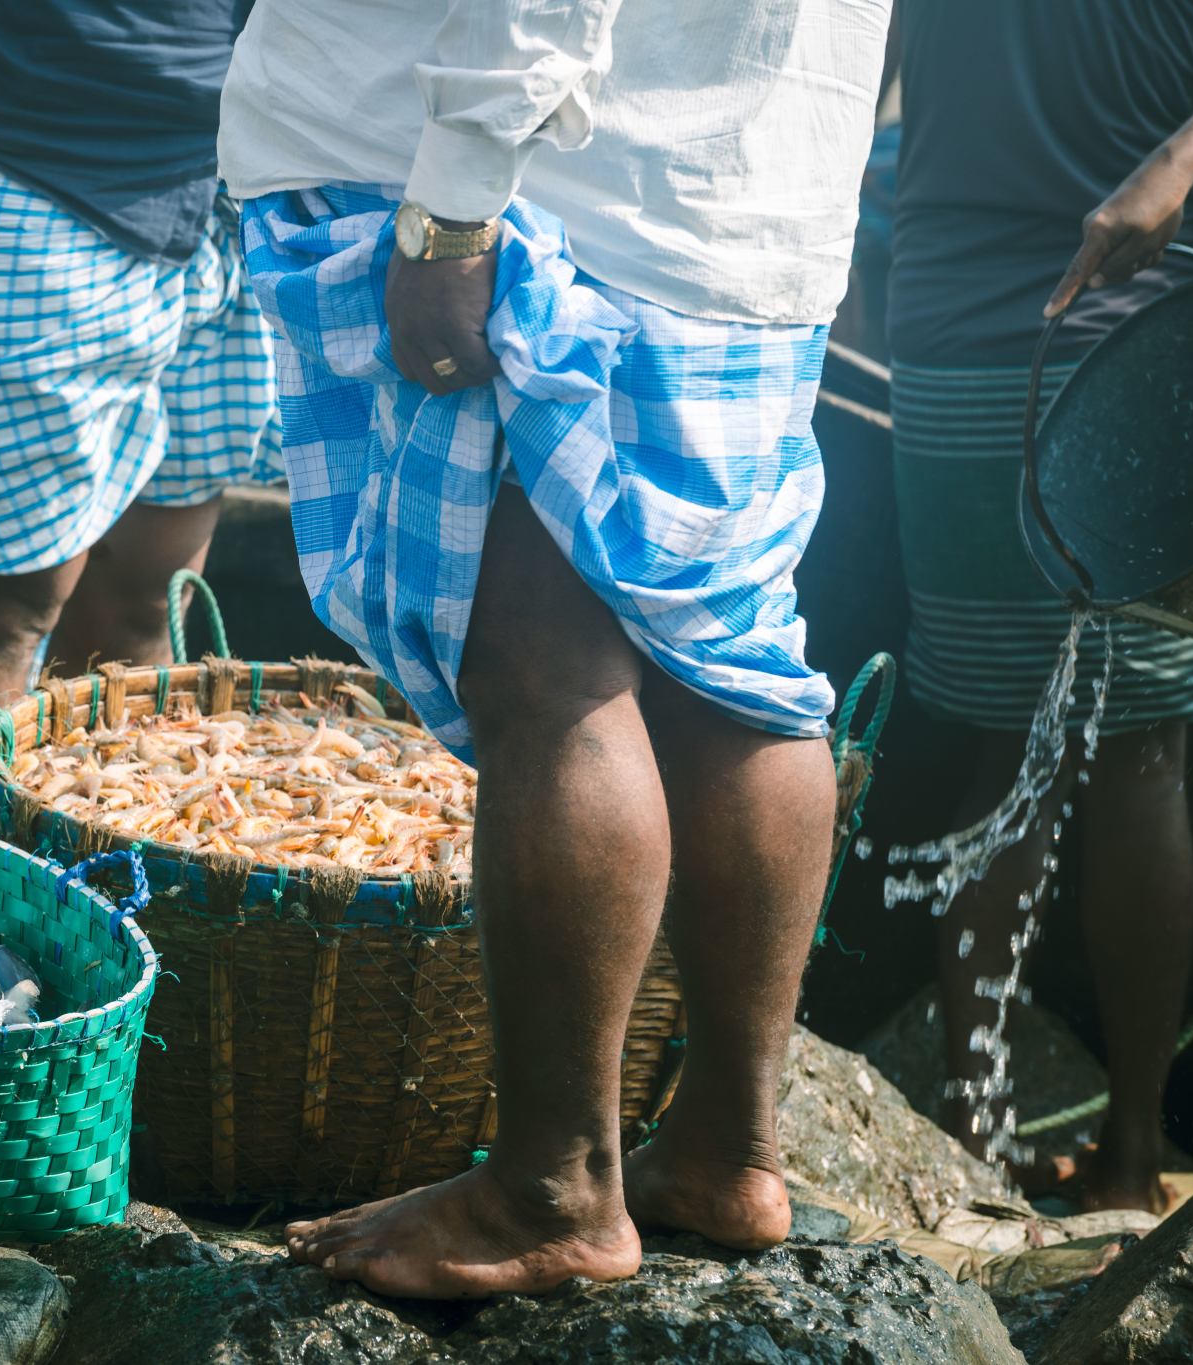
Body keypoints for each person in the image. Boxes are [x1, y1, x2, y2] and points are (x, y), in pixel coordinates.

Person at [221, 0, 889, 1297]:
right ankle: (727, 1145)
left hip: (550, 184)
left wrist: (456, 206)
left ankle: (551, 1188)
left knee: (548, 674)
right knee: (735, 669)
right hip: (751, 192)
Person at [889, 0, 1193, 1212]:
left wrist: (1174, 165)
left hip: (1131, 311)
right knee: (1059, 741)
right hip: (989, 319)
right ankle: (1011, 1150)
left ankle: (1075, 1151)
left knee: (1096, 750)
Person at [0, 0, 277, 828]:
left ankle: (106, 901)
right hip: (49, 152)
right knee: (0, 609)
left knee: (150, 586)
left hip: (241, 176)